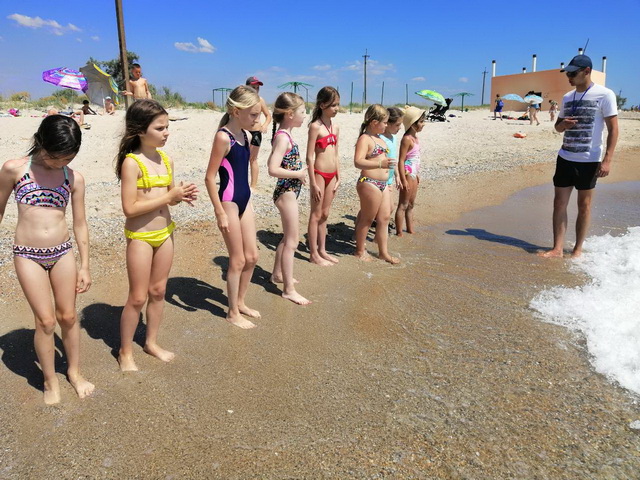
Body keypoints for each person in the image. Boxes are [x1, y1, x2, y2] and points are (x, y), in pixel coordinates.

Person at [0, 115, 94, 404]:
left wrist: (85, 265)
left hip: (62, 252)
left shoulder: (73, 178)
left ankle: (74, 372)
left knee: (68, 316)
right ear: (42, 143)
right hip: (27, 255)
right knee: (45, 321)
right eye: (57, 157)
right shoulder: (14, 169)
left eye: (69, 157)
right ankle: (50, 379)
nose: (62, 162)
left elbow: (80, 223)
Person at [115, 99, 198, 371]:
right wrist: (169, 197)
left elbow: (169, 197)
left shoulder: (166, 159)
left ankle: (151, 342)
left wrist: (181, 196)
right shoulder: (132, 163)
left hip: (165, 233)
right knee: (138, 297)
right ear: (140, 130)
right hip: (140, 236)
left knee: (159, 291)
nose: (166, 132)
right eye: (160, 128)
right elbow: (130, 208)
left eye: (167, 127)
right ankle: (125, 351)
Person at [539, 54, 618, 259]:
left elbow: (613, 129)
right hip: (565, 157)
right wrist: (563, 125)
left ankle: (577, 250)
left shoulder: (605, 95)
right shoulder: (567, 97)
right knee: (559, 204)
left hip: (589, 160)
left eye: (573, 73)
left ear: (587, 71)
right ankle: (557, 249)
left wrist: (607, 160)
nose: (569, 77)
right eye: (568, 74)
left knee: (584, 206)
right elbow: (557, 127)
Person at [205, 86, 262, 328]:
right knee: (237, 260)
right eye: (253, 115)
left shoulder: (246, 136)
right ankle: (232, 313)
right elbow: (209, 178)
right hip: (228, 202)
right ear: (237, 112)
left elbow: (250, 163)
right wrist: (219, 212)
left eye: (258, 114)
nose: (257, 119)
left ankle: (240, 302)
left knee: (252, 256)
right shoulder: (223, 137)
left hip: (245, 200)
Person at [267, 92, 311, 305]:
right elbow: (272, 169)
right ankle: (288, 290)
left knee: (287, 238)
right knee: (292, 241)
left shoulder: (285, 135)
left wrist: (298, 174)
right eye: (303, 111)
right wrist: (298, 173)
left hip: (289, 192)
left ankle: (278, 274)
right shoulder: (283, 137)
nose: (305, 115)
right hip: (286, 193)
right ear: (290, 114)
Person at [353, 104, 399, 264]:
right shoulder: (365, 139)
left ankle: (383, 253)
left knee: (384, 218)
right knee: (367, 218)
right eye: (384, 122)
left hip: (383, 183)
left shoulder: (381, 139)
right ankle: (359, 251)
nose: (386, 125)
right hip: (369, 183)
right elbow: (358, 162)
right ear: (374, 122)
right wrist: (380, 164)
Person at [306, 86, 341, 266]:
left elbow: (336, 153)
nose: (337, 108)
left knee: (325, 214)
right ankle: (313, 254)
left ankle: (322, 250)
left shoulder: (335, 127)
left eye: (338, 104)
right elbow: (309, 157)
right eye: (333, 105)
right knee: (316, 214)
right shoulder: (315, 127)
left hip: (332, 175)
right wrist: (313, 183)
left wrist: (339, 176)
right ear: (322, 105)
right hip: (319, 174)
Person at [395, 106, 426, 236]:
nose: (424, 124)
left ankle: (410, 230)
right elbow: (401, 160)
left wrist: (417, 174)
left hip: (413, 174)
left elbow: (415, 159)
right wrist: (403, 179)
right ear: (413, 124)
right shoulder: (407, 139)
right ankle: (399, 232)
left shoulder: (415, 138)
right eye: (421, 122)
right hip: (407, 174)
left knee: (411, 205)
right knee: (403, 204)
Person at [245, 76, 272, 190]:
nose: (256, 90)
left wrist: (264, 125)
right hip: (243, 131)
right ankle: (241, 182)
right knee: (241, 158)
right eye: (253, 87)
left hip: (256, 132)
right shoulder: (243, 100)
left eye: (257, 88)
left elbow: (268, 115)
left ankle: (253, 186)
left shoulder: (260, 100)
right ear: (247, 87)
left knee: (253, 159)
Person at [380, 107, 403, 230]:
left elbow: (394, 159)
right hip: (380, 179)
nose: (400, 128)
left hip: (389, 180)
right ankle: (359, 232)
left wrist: (397, 175)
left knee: (390, 208)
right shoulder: (380, 138)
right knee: (372, 209)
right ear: (388, 123)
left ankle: (379, 230)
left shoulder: (393, 138)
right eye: (397, 125)